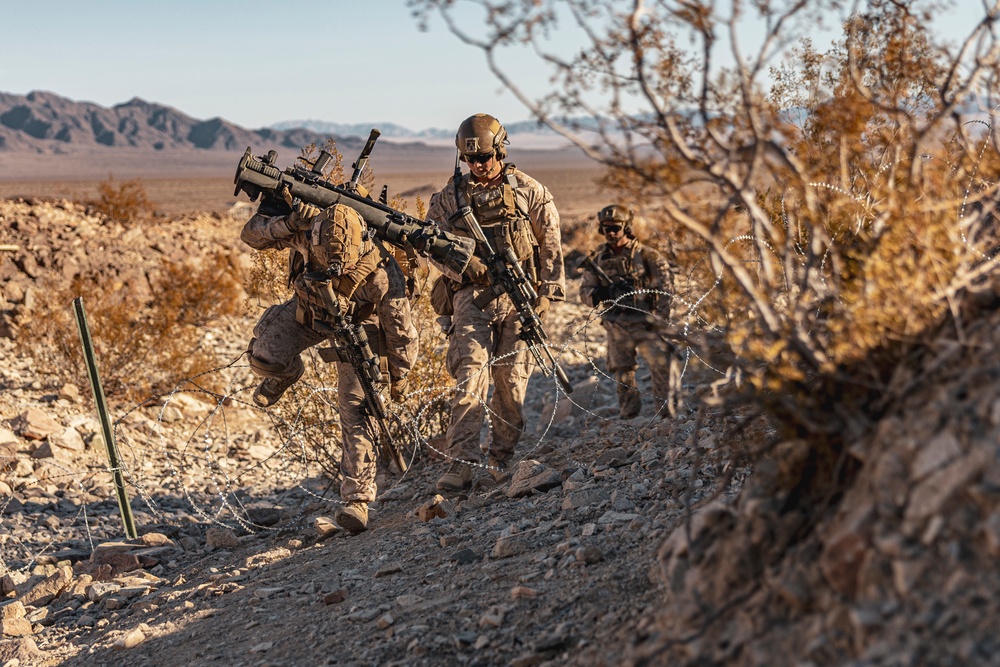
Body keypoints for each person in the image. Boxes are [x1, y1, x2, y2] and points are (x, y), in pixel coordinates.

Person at [241, 187, 418, 533]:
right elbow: (251, 234)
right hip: (311, 312)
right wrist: (288, 222)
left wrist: (399, 378)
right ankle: (285, 373)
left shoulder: (383, 271)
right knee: (264, 354)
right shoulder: (308, 229)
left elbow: (401, 330)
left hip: (360, 327)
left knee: (356, 406)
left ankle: (358, 500)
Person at [425, 113, 566, 492]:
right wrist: (463, 266)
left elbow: (550, 239)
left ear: (500, 151)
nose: (479, 165)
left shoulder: (528, 191)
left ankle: (500, 456)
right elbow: (430, 245)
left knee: (510, 382)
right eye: (471, 160)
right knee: (471, 374)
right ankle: (461, 463)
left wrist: (548, 293)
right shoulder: (448, 198)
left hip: (519, 296)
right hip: (472, 297)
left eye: (485, 157)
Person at [579, 204, 682, 419]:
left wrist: (659, 321)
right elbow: (585, 292)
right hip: (617, 325)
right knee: (622, 374)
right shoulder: (597, 260)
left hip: (647, 323)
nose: (611, 233)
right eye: (606, 228)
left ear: (626, 227)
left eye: (616, 227)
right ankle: (630, 418)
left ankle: (667, 416)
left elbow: (666, 290)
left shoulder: (647, 256)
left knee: (661, 368)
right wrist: (602, 293)